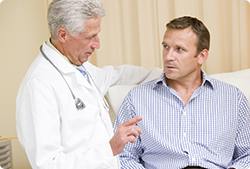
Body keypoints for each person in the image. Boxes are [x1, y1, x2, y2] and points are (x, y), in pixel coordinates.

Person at [15, 0, 162, 168]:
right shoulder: (39, 84)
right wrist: (110, 148)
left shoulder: (81, 68)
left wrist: (167, 75)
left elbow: (121, 75)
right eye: (90, 37)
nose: (97, 44)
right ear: (63, 35)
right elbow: (48, 164)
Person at [113, 16, 250, 169]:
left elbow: (248, 154)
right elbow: (123, 156)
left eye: (179, 49)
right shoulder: (136, 98)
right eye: (166, 47)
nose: (168, 56)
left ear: (202, 56)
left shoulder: (233, 98)